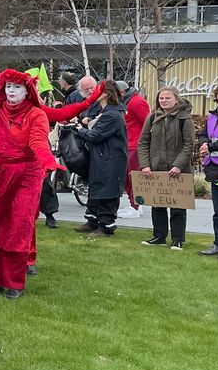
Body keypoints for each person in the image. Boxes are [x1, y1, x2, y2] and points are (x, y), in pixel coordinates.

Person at [0, 69, 100, 298]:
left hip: (25, 175)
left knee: (17, 226)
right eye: (8, 87)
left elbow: (37, 141)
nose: (12, 91)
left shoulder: (35, 114)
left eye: (17, 87)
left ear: (27, 91)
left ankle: (14, 282)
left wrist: (46, 159)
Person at [136, 86, 196, 251]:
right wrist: (145, 165)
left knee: (178, 207)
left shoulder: (185, 119)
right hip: (156, 169)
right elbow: (143, 143)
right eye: (161, 98)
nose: (163, 101)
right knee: (157, 205)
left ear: (176, 99)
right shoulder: (152, 118)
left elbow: (189, 145)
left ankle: (177, 239)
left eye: (167, 98)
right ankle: (159, 236)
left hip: (178, 171)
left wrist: (178, 165)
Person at [72, 80, 128, 237]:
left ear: (105, 94)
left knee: (107, 191)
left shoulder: (112, 114)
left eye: (97, 90)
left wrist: (79, 130)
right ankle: (93, 221)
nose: (94, 93)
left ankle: (106, 226)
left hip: (110, 159)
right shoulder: (106, 112)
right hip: (102, 157)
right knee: (97, 188)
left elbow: (96, 136)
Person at [196, 79, 218, 258]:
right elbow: (203, 134)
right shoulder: (213, 116)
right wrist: (204, 144)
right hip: (215, 168)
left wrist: (211, 146)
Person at [117, 81, 151, 217]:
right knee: (127, 177)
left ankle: (136, 206)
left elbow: (147, 123)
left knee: (134, 176)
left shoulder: (136, 102)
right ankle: (134, 204)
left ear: (122, 92)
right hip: (128, 144)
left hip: (135, 145)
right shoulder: (128, 102)